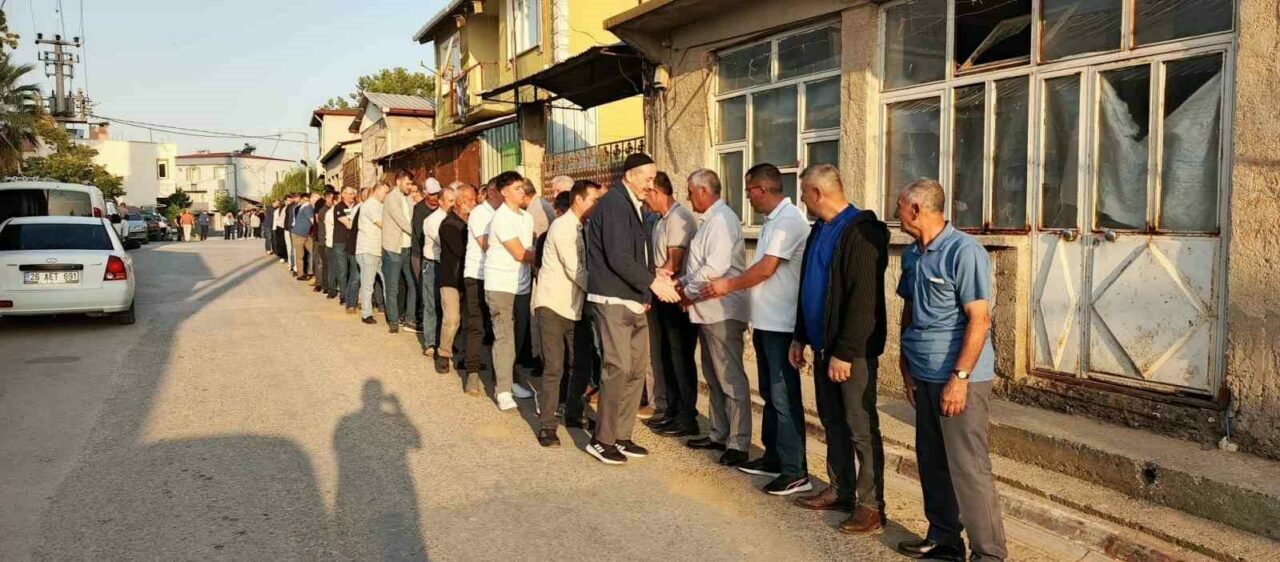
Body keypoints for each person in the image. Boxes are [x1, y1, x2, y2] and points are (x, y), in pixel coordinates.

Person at [895, 178, 1006, 561]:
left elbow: (980, 319)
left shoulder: (964, 251)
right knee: (932, 462)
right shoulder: (912, 254)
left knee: (968, 467)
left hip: (959, 377)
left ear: (916, 209)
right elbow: (909, 308)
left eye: (899, 208)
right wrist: (905, 364)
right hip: (923, 373)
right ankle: (944, 540)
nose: (896, 215)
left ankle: (989, 554)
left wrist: (959, 379)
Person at [787, 164, 890, 533]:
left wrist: (845, 352)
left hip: (851, 353)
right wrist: (800, 335)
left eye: (804, 193)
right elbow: (810, 285)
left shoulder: (861, 232)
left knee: (860, 428)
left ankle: (871, 506)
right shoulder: (819, 229)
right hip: (822, 347)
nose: (802, 199)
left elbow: (864, 301)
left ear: (817, 193)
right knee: (832, 422)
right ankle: (841, 489)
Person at [698, 163, 813, 494]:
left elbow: (765, 269)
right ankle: (774, 457)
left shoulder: (789, 220)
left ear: (762, 189)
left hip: (781, 325)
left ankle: (795, 471)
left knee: (783, 397)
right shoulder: (771, 221)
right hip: (765, 322)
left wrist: (727, 285)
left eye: (749, 190)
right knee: (769, 395)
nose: (747, 197)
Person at [582, 152, 679, 465]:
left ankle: (621, 436)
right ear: (630, 175)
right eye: (647, 179)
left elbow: (639, 254)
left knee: (637, 370)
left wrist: (652, 280)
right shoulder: (613, 204)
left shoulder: (633, 204)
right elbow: (618, 257)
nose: (651, 185)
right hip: (612, 299)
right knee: (618, 368)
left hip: (634, 298)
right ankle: (602, 439)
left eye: (653, 179)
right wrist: (652, 284)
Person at [677, 169, 751, 467]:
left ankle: (738, 442)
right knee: (714, 375)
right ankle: (720, 433)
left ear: (704, 191)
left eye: (690, 192)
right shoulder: (710, 220)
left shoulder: (721, 220)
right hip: (707, 311)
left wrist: (686, 291)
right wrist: (683, 284)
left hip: (722, 310)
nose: (689, 198)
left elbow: (714, 269)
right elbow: (699, 267)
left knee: (729, 377)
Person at [533, 179, 602, 446]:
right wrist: (601, 290)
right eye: (594, 200)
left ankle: (573, 412)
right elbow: (576, 270)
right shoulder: (563, 228)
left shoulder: (582, 227)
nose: (597, 205)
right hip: (553, 305)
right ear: (578, 200)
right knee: (554, 367)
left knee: (581, 364)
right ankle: (547, 426)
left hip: (575, 307)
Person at [641, 172, 699, 438]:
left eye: (647, 194)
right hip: (662, 295)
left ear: (656, 192)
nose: (645, 201)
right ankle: (673, 411)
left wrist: (653, 280)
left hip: (676, 296)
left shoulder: (679, 218)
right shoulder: (661, 220)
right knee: (665, 356)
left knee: (679, 357)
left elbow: (673, 263)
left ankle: (686, 416)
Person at [483, 171, 538, 411]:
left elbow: (529, 248)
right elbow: (519, 253)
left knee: (518, 336)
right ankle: (503, 389)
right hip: (500, 285)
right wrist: (547, 259)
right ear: (504, 192)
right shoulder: (501, 218)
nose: (521, 191)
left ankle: (511, 380)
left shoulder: (527, 217)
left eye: (522, 187)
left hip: (521, 284)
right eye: (516, 188)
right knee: (504, 336)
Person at [462, 179, 501, 396]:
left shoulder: (505, 214)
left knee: (499, 326)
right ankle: (472, 372)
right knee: (476, 325)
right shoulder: (479, 213)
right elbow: (486, 245)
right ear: (492, 192)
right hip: (477, 275)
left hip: (499, 277)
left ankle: (502, 372)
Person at [437, 183, 474, 374]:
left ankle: (463, 357)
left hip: (468, 278)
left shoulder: (472, 222)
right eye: (469, 199)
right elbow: (461, 250)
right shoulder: (449, 224)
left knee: (468, 321)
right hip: (451, 278)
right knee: (452, 319)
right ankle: (444, 353)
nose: (473, 203)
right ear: (459, 201)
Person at [382, 170, 419, 334]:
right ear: (398, 182)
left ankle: (410, 319)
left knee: (412, 284)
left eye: (411, 184)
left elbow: (413, 218)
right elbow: (402, 221)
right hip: (393, 249)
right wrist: (418, 234)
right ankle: (393, 321)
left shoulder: (408, 199)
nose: (410, 187)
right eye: (407, 183)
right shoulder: (391, 198)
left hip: (407, 248)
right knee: (393, 287)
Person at [420, 181, 452, 358]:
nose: (453, 204)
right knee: (431, 304)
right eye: (450, 200)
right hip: (433, 264)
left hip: (449, 265)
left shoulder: (455, 218)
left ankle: (446, 342)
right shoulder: (432, 220)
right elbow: (445, 242)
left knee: (447, 306)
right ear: (440, 201)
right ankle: (430, 342)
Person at [357, 183, 390, 325]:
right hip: (368, 249)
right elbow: (381, 223)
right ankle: (366, 314)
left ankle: (390, 311)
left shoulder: (378, 205)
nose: (386, 196)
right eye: (385, 192)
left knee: (386, 280)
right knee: (368, 283)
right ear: (378, 190)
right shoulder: (370, 205)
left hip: (377, 249)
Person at [330, 187, 357, 304]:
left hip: (352, 242)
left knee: (353, 270)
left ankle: (352, 295)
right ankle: (344, 296)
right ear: (343, 194)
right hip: (340, 242)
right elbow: (348, 224)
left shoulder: (356, 206)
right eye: (350, 194)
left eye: (353, 194)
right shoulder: (339, 207)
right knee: (343, 270)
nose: (352, 196)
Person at [292, 194, 316, 281]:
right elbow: (313, 221)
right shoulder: (308, 207)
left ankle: (309, 272)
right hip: (300, 234)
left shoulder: (304, 206)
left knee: (312, 252)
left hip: (304, 234)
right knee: (301, 254)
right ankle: (301, 274)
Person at [314, 189, 334, 294]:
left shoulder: (327, 210)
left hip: (324, 239)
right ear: (326, 198)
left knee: (326, 264)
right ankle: (325, 286)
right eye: (331, 198)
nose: (332, 200)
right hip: (323, 240)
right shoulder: (324, 211)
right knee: (325, 264)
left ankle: (325, 285)